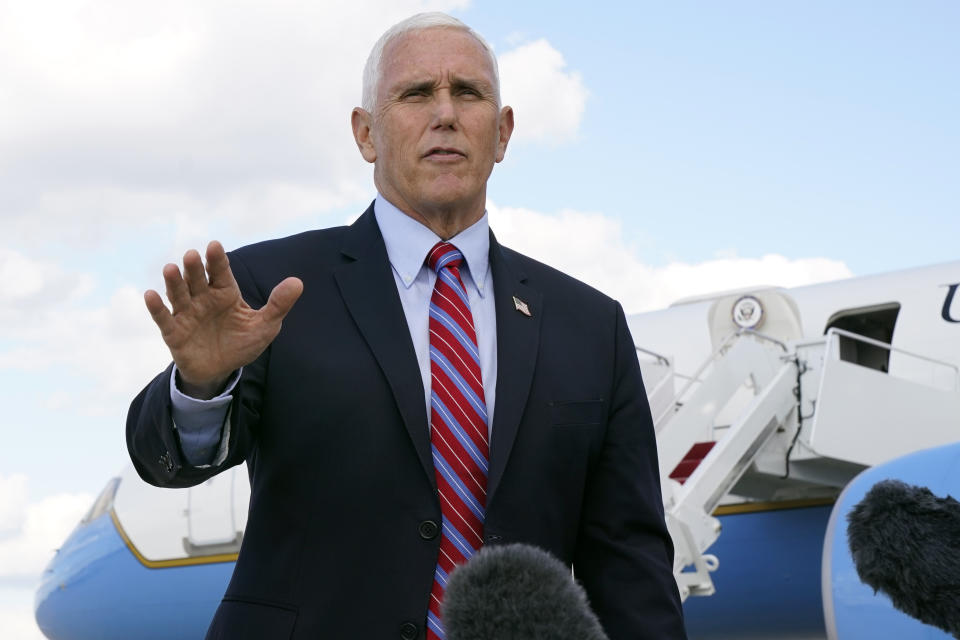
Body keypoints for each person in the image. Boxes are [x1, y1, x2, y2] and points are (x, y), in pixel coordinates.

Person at [127, 12, 687, 640]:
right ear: (366, 133)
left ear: (502, 133)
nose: (444, 114)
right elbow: (165, 464)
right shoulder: (269, 289)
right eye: (416, 93)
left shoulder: (591, 325)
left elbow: (631, 565)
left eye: (468, 93)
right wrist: (201, 388)